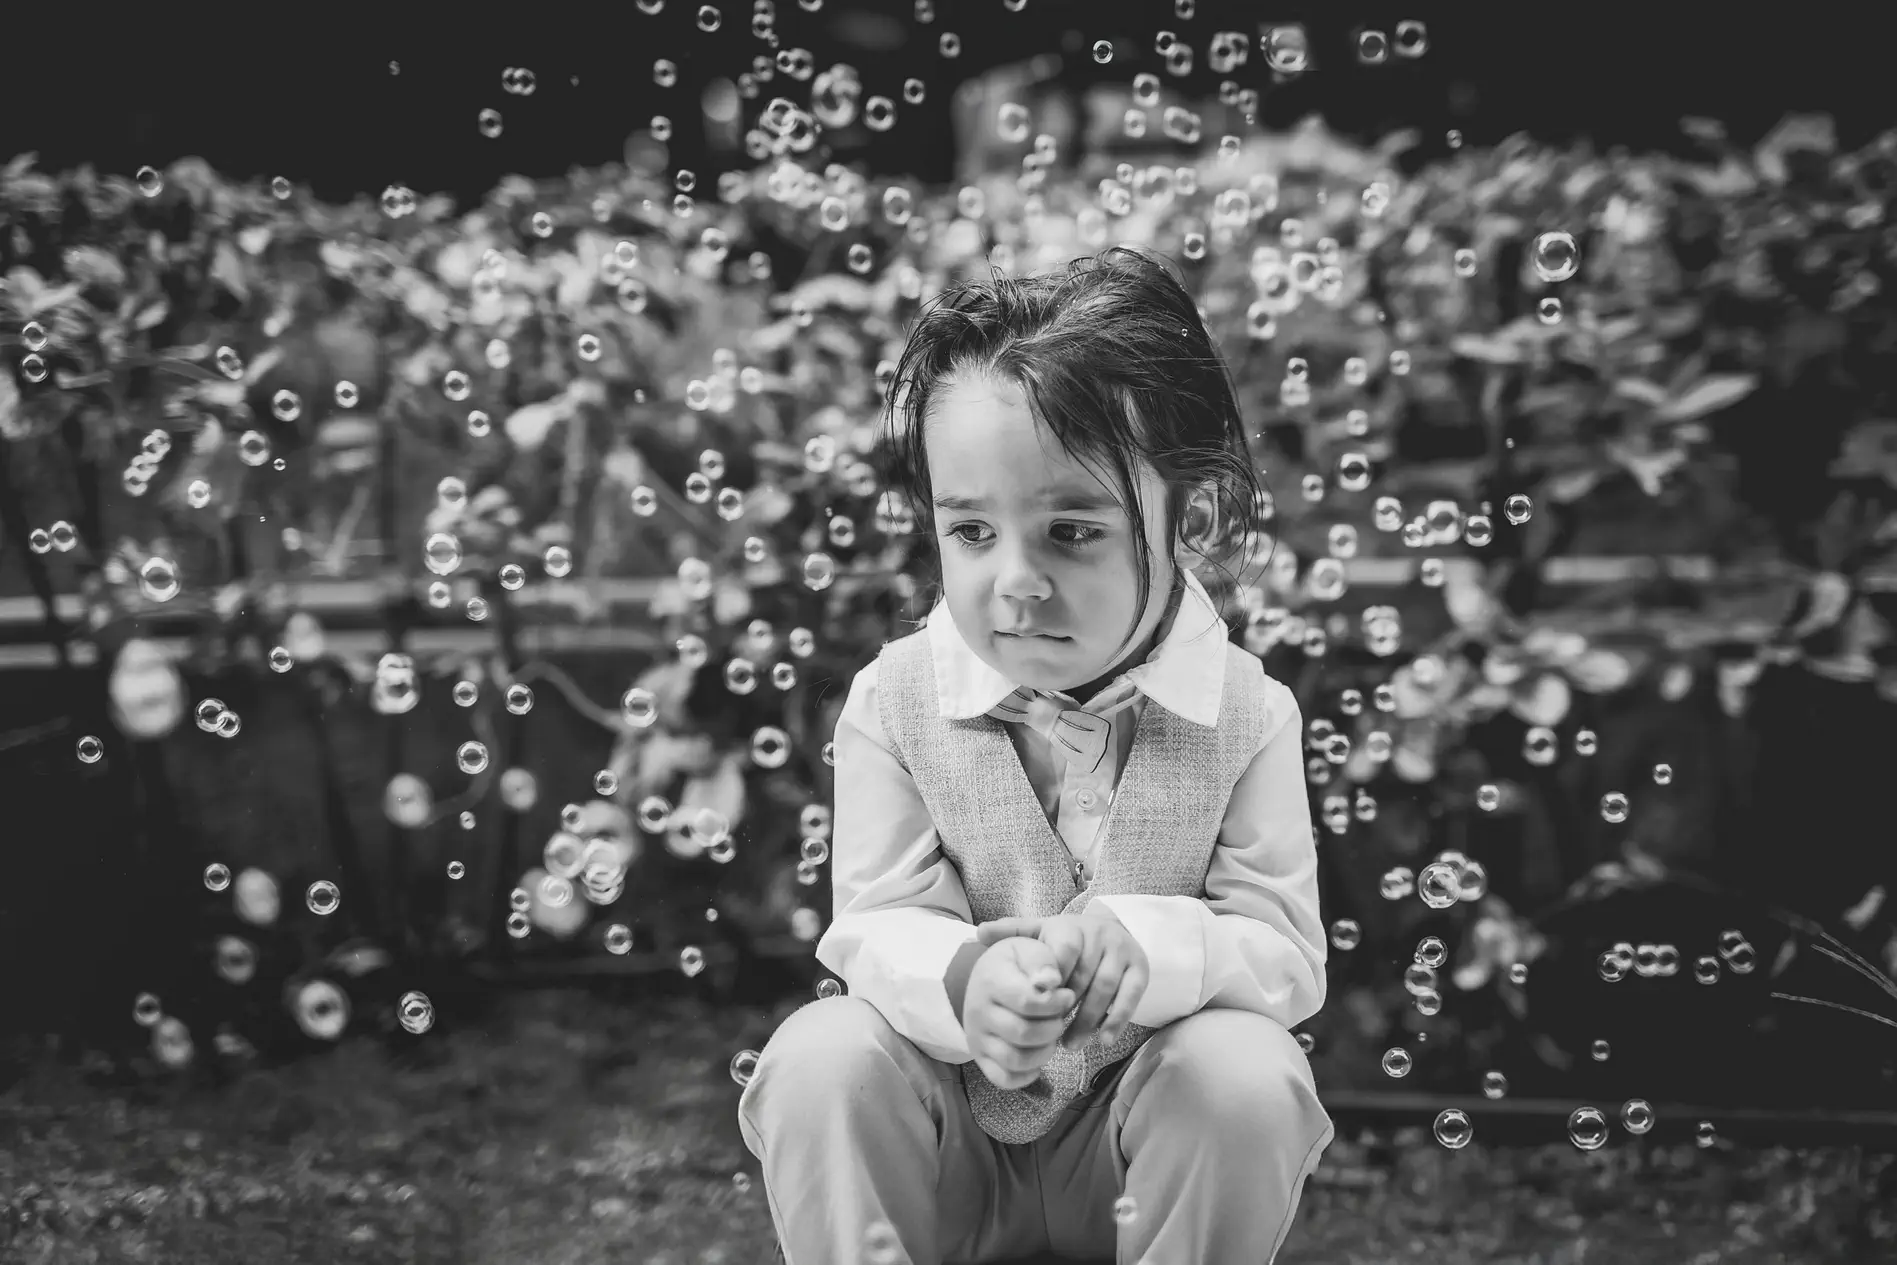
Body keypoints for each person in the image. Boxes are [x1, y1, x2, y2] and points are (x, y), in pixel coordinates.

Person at [738, 248, 1333, 1264]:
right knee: (822, 1054)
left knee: (1245, 1070)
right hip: (949, 1154)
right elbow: (875, 925)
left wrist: (1149, 945)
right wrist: (964, 976)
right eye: (972, 529)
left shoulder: (1248, 712)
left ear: (1188, 515)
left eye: (1070, 529)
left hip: (1134, 1161)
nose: (1014, 579)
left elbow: (1281, 956)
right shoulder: (895, 700)